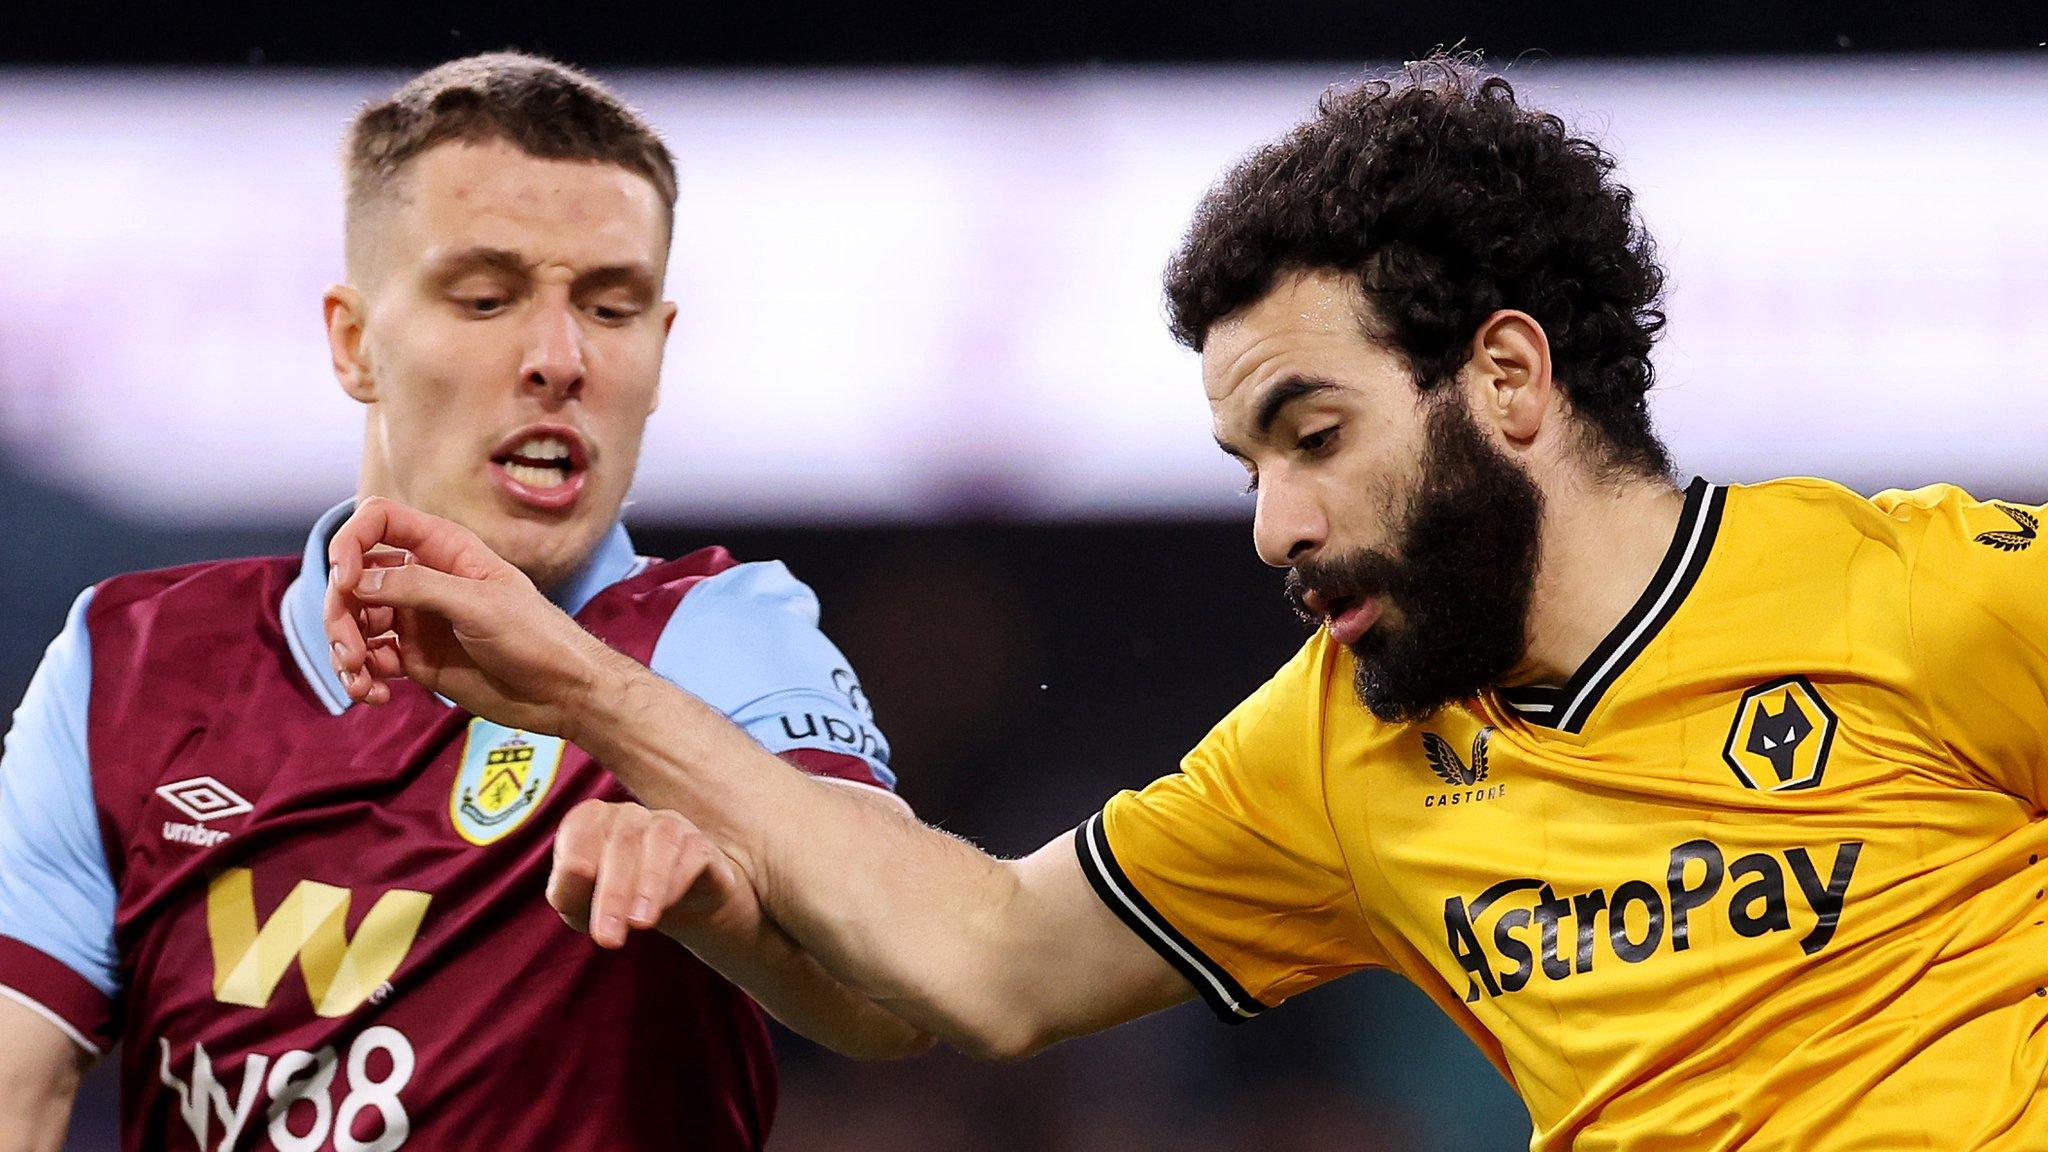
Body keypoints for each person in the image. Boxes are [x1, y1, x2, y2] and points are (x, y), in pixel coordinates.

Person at [323, 56, 2048, 1151]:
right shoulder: (1336, 744)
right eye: (1243, 464)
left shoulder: (1919, 597)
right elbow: (984, 958)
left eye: (1313, 434)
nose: (1271, 525)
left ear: (1506, 379)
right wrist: (578, 683)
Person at [0, 51, 928, 1152]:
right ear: (354, 343)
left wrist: (726, 914)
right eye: (486, 299)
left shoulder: (714, 636)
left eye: (611, 306)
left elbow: (905, 983)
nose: (559, 358)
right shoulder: (132, 664)